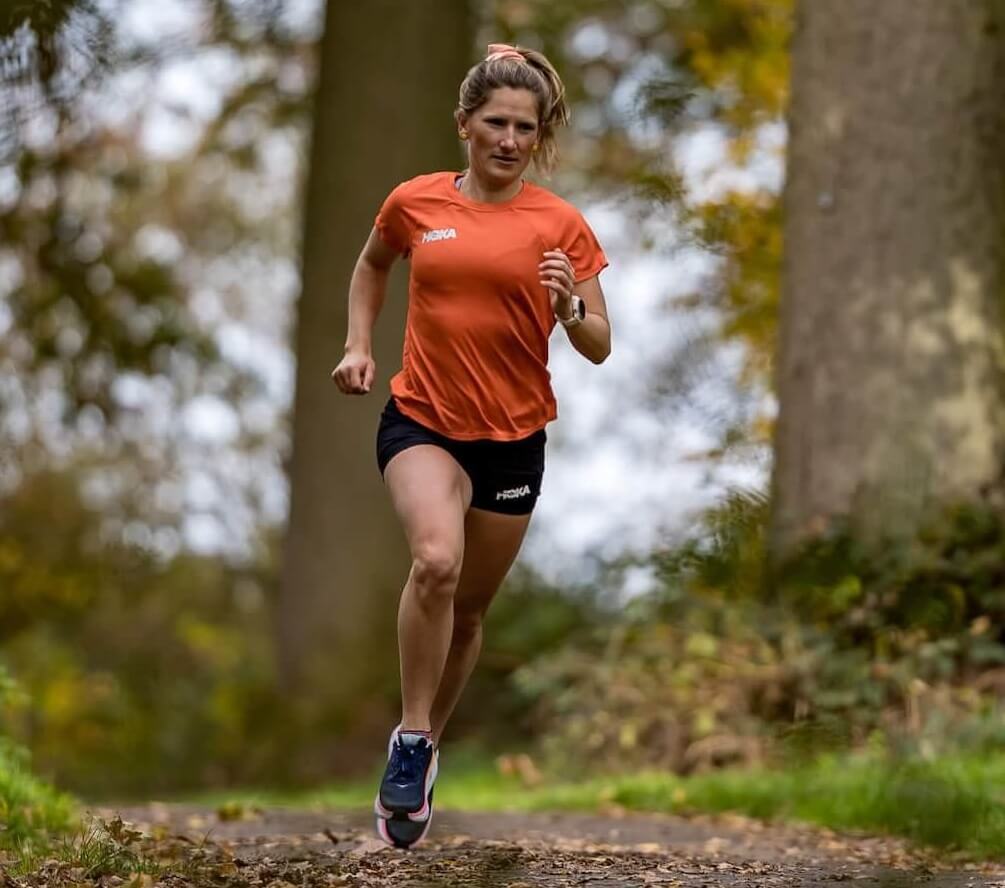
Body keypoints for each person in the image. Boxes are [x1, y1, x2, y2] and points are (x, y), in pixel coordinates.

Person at [331, 42, 611, 849]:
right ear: (464, 124)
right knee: (435, 562)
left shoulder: (560, 224)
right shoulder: (415, 203)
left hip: (514, 440)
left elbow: (599, 344)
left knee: (471, 609)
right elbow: (371, 265)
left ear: (538, 135)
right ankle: (411, 739)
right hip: (422, 419)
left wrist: (566, 308)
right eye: (495, 122)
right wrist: (358, 345)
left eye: (525, 127)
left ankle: (425, 748)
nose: (509, 139)